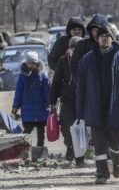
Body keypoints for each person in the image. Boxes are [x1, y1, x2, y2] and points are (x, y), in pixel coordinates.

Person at [76, 25, 119, 185]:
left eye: (108, 36)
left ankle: (117, 161)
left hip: (116, 108)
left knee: (115, 142)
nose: (104, 38)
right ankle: (101, 173)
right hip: (95, 108)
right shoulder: (86, 60)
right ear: (97, 39)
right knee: (99, 144)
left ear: (112, 39)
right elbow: (81, 88)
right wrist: (79, 112)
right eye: (101, 36)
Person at [48, 36, 84, 166]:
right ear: (70, 48)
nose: (76, 52)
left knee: (82, 128)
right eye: (73, 49)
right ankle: (70, 145)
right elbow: (56, 81)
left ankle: (79, 157)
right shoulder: (63, 60)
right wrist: (52, 100)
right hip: (67, 100)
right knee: (66, 126)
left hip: (83, 100)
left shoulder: (87, 59)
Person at [12, 51, 49, 147]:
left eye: (33, 63)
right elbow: (18, 92)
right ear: (25, 63)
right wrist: (15, 106)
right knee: (27, 130)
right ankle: (22, 147)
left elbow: (46, 91)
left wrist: (49, 103)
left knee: (41, 132)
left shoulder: (42, 76)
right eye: (29, 63)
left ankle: (40, 149)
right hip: (27, 109)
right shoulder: (22, 77)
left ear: (37, 64)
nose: (31, 65)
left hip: (41, 108)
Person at [70, 14, 109, 82]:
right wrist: (82, 84)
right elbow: (74, 66)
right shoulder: (82, 45)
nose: (96, 33)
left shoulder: (114, 46)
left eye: (99, 30)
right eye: (94, 30)